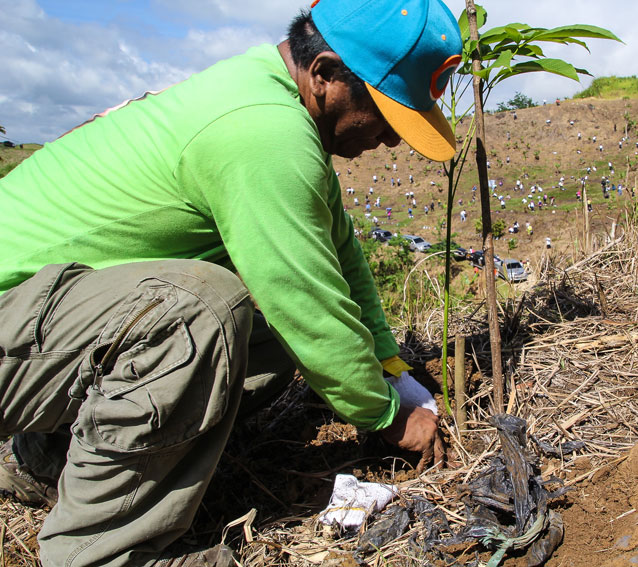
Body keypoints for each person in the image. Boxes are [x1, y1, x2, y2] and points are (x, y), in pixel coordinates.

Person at [0, 0, 461, 565]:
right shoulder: (262, 133)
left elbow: (340, 259)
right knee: (203, 308)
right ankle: (100, 553)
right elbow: (307, 304)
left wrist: (393, 368)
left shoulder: (269, 96)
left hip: (45, 315)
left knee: (260, 325)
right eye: (388, 115)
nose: (390, 140)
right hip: (12, 313)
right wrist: (388, 417)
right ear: (326, 75)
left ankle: (48, 458)